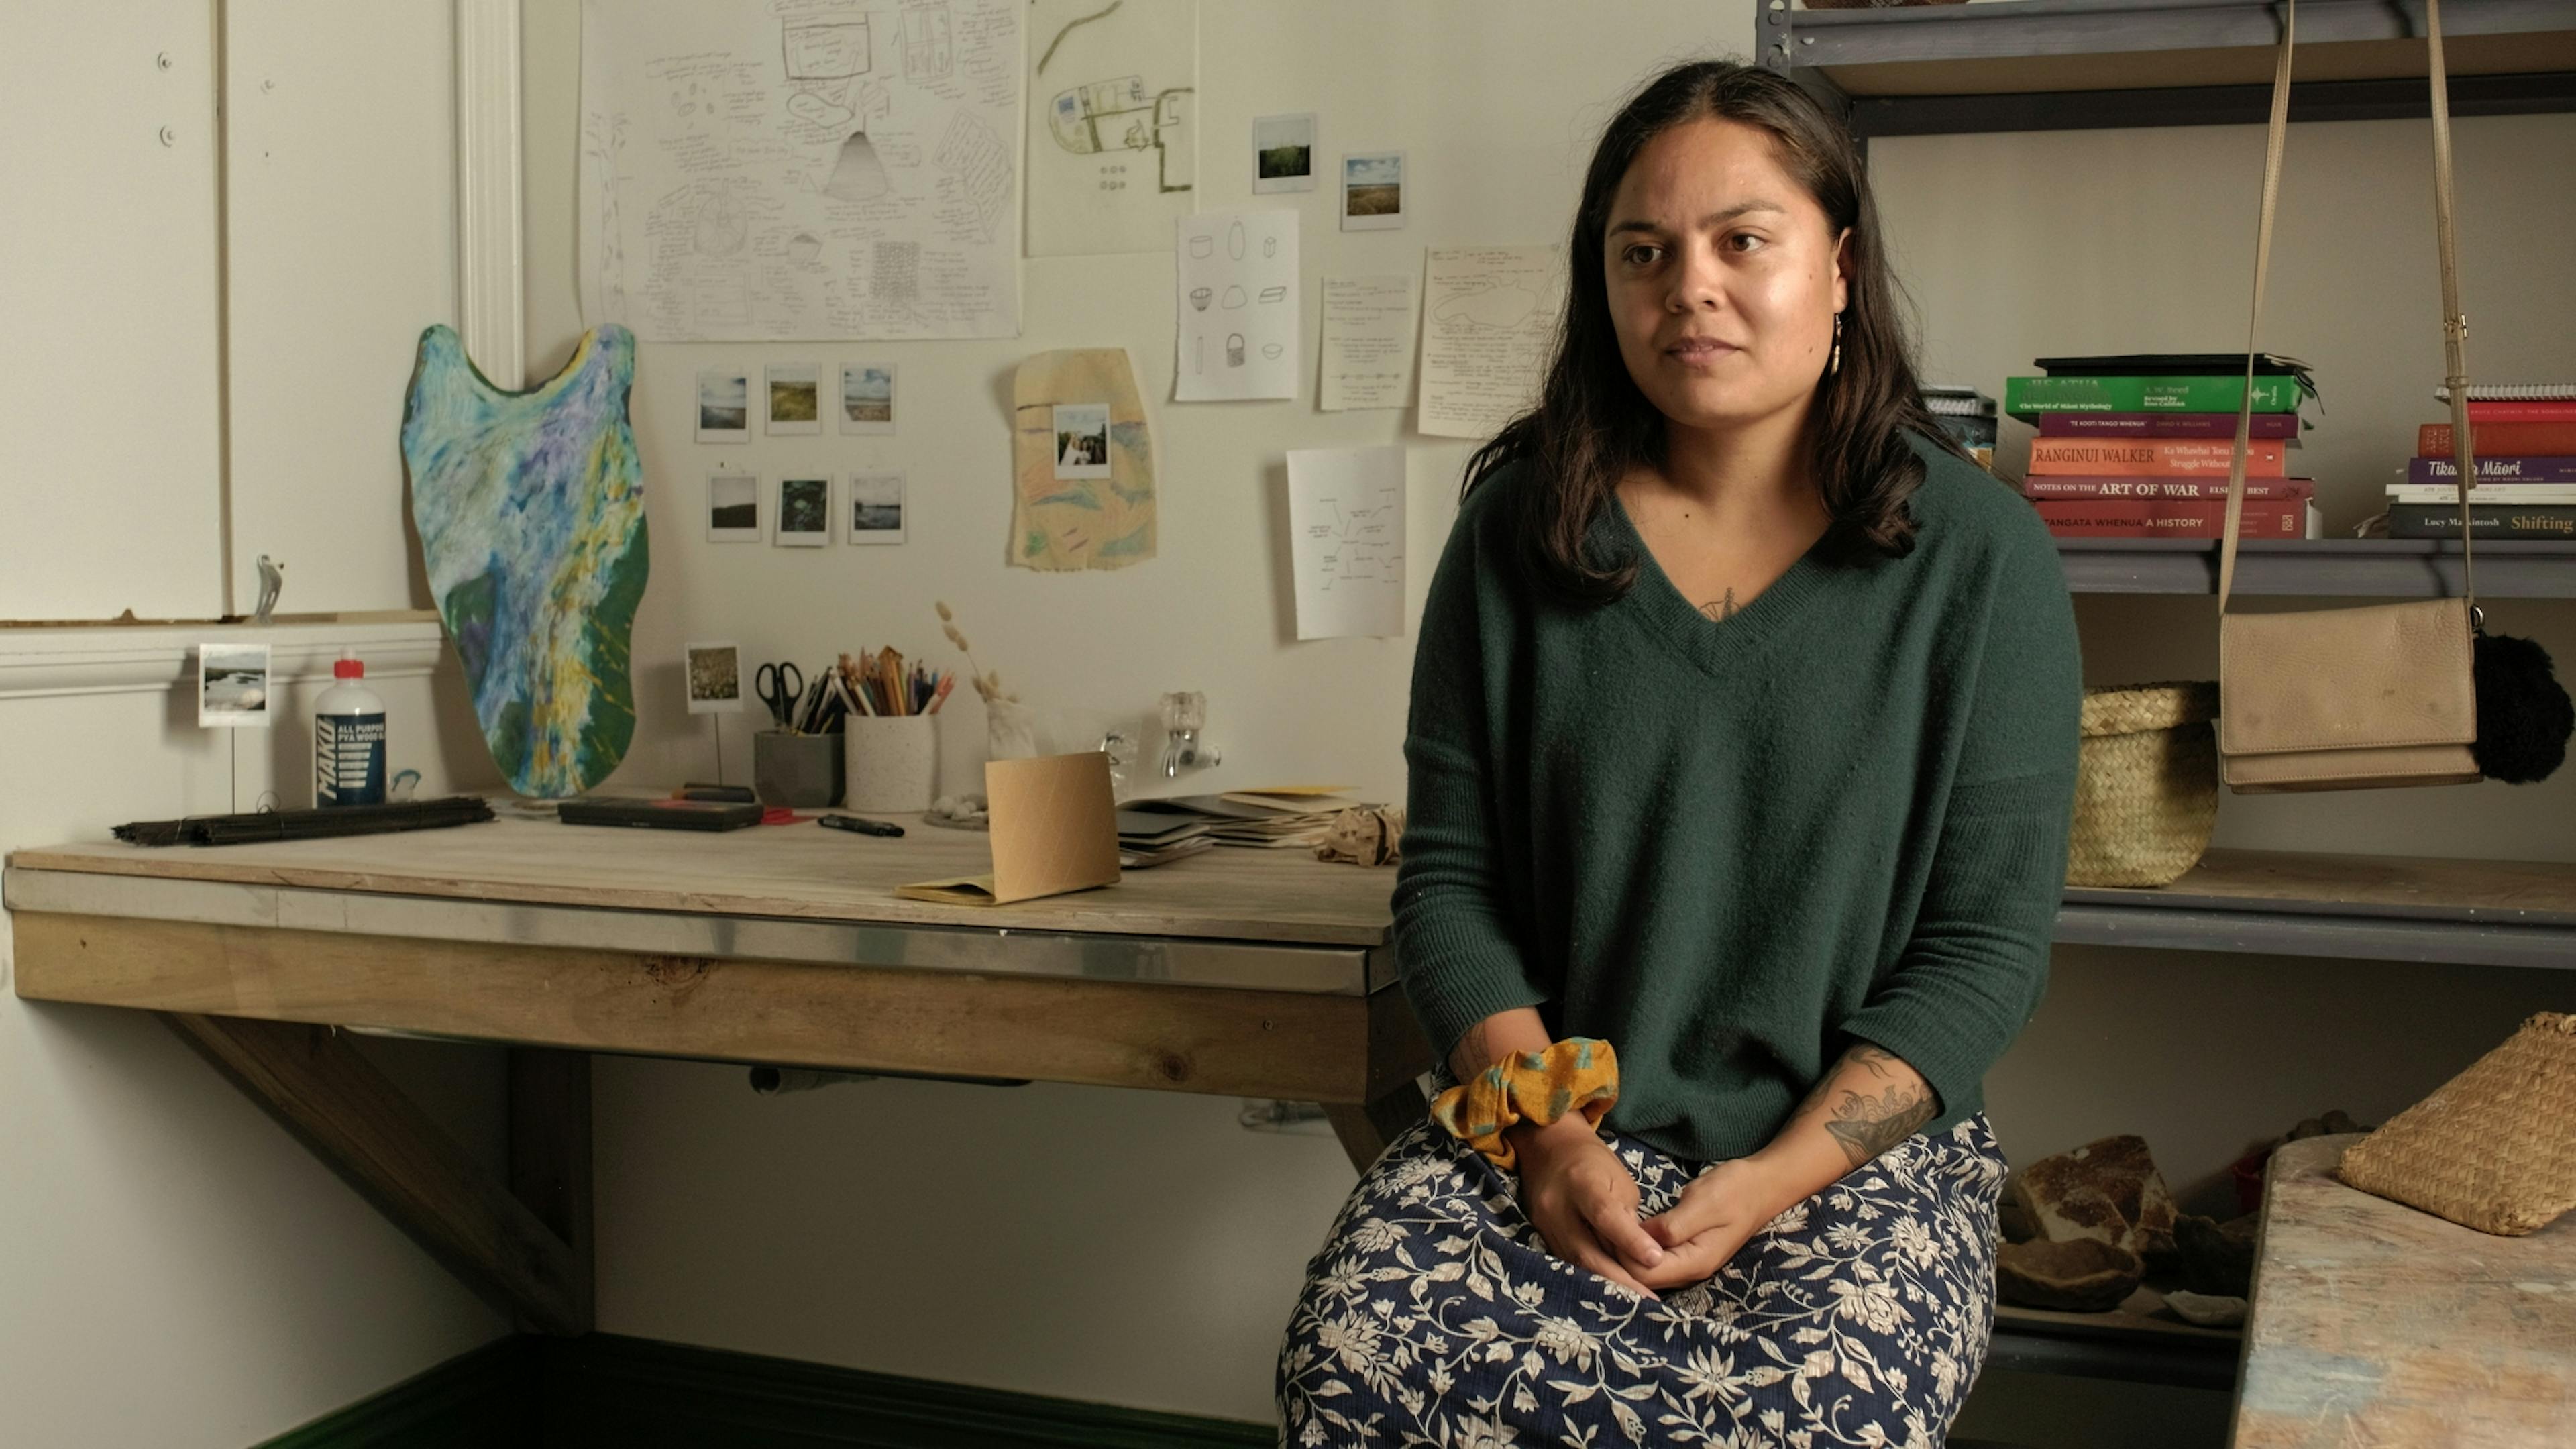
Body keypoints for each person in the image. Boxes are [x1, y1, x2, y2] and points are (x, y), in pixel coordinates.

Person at [1277, 60, 2080, 1448]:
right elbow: (1451, 886)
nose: (1687, 286)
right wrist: (1549, 1141)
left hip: (1849, 1159)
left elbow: (1982, 955)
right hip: (1558, 1134)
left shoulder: (1983, 557)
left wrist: (1771, 1181)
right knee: (1350, 1367)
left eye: (1742, 242)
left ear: (1840, 267)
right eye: (1641, 252)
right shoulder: (1517, 534)